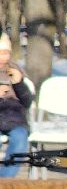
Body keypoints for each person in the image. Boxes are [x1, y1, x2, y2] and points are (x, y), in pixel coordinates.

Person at [0, 33, 31, 179]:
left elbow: (27, 101)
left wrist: (19, 83)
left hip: (14, 118)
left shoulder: (15, 70)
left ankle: (5, 180)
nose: (3, 57)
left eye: (6, 53)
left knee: (20, 139)